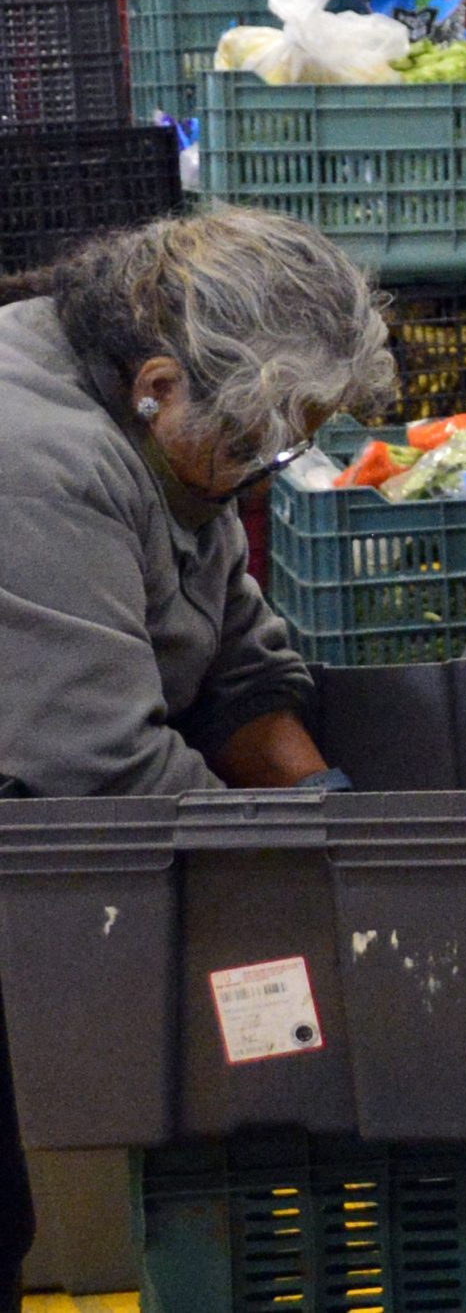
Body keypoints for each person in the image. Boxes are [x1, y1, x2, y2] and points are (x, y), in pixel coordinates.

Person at [0, 207, 395, 1289]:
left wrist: (347, 831)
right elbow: (103, 767)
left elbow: (237, 666)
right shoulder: (37, 460)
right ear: (162, 385)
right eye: (262, 436)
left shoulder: (149, 417)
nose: (269, 463)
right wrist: (310, 895)